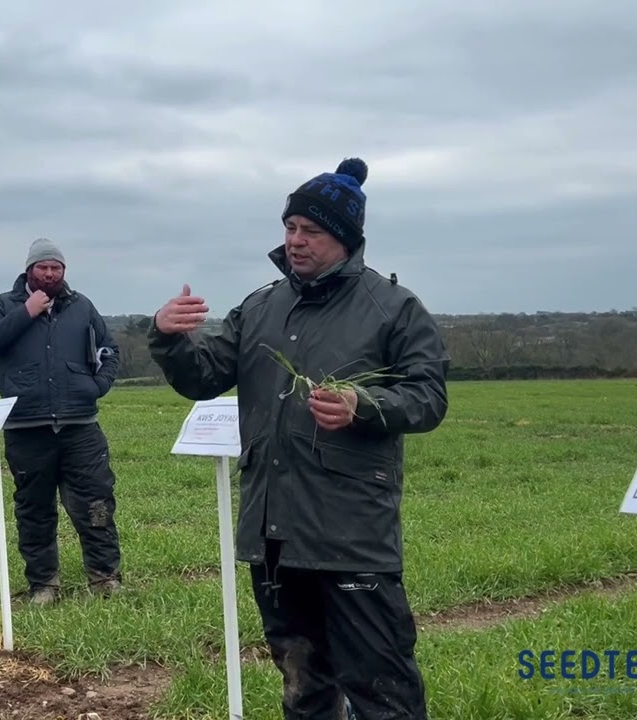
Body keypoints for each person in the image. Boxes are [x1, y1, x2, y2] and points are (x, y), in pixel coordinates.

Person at [148, 158, 448, 719]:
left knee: (383, 690)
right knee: (303, 688)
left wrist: (364, 405)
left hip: (351, 535)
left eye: (311, 231)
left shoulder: (393, 308)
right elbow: (204, 376)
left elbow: (429, 397)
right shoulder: (261, 306)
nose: (295, 241)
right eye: (289, 228)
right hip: (274, 536)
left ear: (346, 238)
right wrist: (169, 339)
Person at [0, 238, 124, 605]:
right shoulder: (5, 305)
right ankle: (44, 585)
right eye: (43, 267)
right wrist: (27, 311)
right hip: (27, 427)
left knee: (96, 504)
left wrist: (96, 386)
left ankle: (105, 578)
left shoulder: (81, 306)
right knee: (34, 510)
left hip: (80, 426)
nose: (50, 274)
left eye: (57, 268)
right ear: (29, 270)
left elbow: (109, 349)